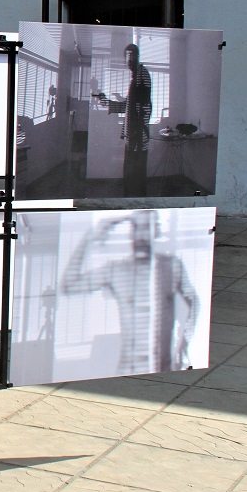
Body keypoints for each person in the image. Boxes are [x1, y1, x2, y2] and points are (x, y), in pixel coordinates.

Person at [61, 212, 198, 375]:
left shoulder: (172, 266)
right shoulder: (116, 270)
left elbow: (193, 301)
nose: (140, 235)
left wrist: (184, 343)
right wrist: (89, 238)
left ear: (157, 231)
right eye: (136, 227)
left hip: (165, 368)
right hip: (129, 369)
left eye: (146, 227)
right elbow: (69, 285)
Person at [100, 43, 152, 196]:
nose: (129, 60)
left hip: (137, 139)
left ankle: (135, 204)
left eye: (132, 56)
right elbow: (129, 106)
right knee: (131, 177)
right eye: (127, 57)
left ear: (137, 57)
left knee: (135, 178)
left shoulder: (142, 75)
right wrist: (108, 103)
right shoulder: (136, 77)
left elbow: (145, 107)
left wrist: (137, 136)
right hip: (134, 138)